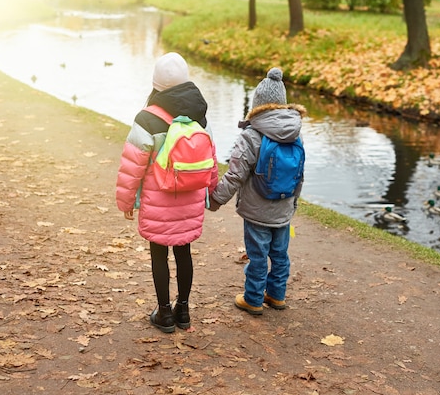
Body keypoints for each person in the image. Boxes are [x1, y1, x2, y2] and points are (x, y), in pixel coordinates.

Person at [115, 52, 219, 333]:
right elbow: (211, 157)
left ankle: (164, 313)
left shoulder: (147, 119)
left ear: (156, 84)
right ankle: (183, 310)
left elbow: (132, 165)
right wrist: (212, 191)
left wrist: (126, 201)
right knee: (183, 252)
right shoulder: (200, 115)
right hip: (191, 199)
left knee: (158, 254)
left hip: (158, 200)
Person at [208, 67, 306, 315]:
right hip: (283, 208)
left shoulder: (252, 134)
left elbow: (236, 173)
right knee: (280, 255)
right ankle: (276, 296)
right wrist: (293, 202)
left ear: (257, 104)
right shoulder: (295, 133)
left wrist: (216, 199)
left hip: (256, 208)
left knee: (258, 255)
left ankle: (252, 298)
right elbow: (299, 174)